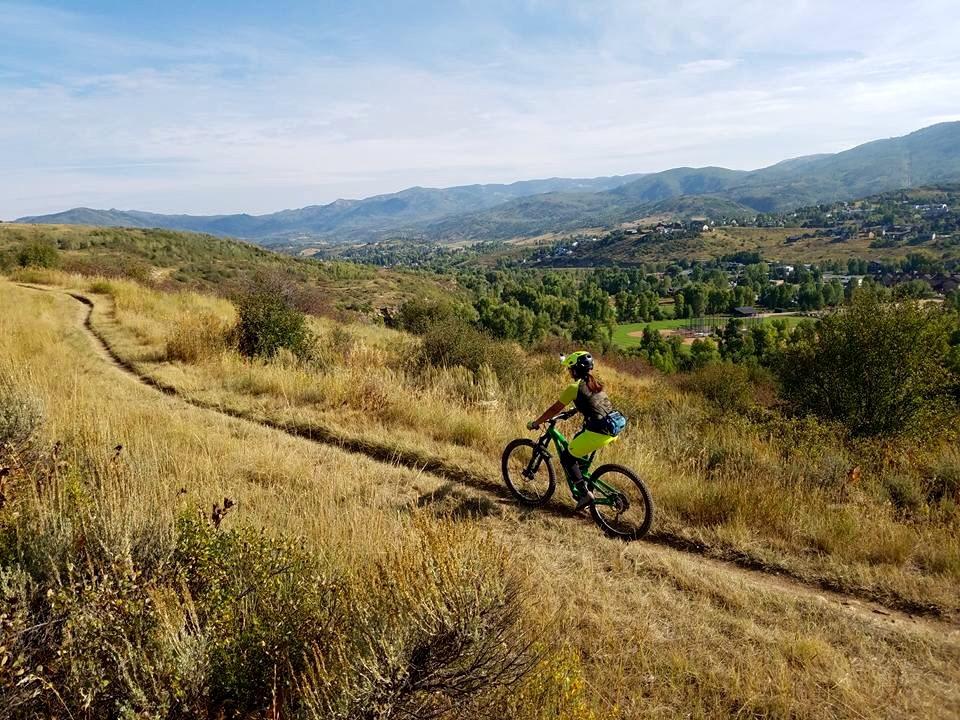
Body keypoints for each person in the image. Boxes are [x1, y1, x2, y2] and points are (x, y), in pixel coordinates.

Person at [527, 351, 618, 511]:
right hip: (610, 427)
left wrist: (537, 422)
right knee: (576, 441)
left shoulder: (574, 387)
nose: (569, 372)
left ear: (575, 370)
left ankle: (584, 494)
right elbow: (592, 403)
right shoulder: (595, 384)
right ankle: (582, 479)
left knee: (567, 458)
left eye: (570, 369)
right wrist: (573, 411)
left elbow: (554, 408)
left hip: (597, 432)